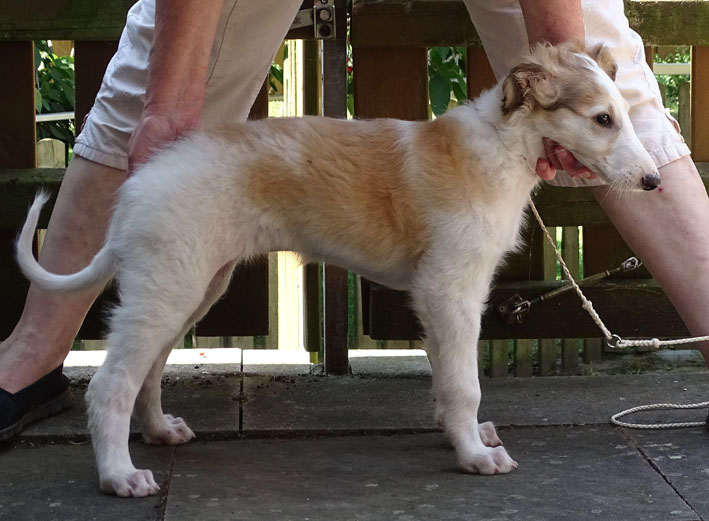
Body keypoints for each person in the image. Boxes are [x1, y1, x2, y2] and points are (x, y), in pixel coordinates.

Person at [1, 0, 708, 440]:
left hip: (525, 103)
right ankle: (37, 356)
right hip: (238, 187)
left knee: (618, 78)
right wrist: (169, 102)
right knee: (147, 99)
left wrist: (567, 60)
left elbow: (581, 73)